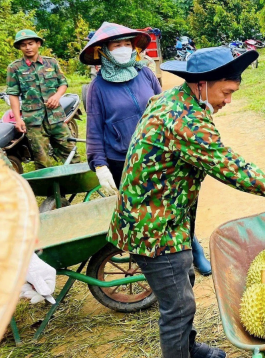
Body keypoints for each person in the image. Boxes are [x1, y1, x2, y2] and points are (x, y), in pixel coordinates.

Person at [107, 47, 265, 358]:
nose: (228, 101)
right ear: (203, 83)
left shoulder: (175, 99)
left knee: (184, 281)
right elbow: (231, 168)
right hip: (153, 227)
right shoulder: (185, 119)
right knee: (178, 307)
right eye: (227, 91)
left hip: (166, 216)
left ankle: (189, 347)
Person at [81, 22, 212, 276]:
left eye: (127, 44)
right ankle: (163, 264)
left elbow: (167, 107)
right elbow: (94, 129)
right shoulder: (97, 88)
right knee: (148, 215)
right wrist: (98, 163)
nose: (123, 49)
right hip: (124, 162)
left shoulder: (145, 74)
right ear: (105, 51)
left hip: (160, 155)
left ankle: (192, 247)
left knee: (177, 205)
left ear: (134, 47)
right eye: (116, 45)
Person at [6, 29, 79, 169]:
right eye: (23, 45)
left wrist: (57, 96)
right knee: (41, 160)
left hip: (56, 117)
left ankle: (78, 184)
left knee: (70, 152)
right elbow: (13, 94)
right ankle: (52, 191)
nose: (27, 47)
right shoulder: (14, 68)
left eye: (31, 43)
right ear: (20, 48)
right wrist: (18, 118)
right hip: (34, 121)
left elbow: (63, 83)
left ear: (38, 43)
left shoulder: (51, 63)